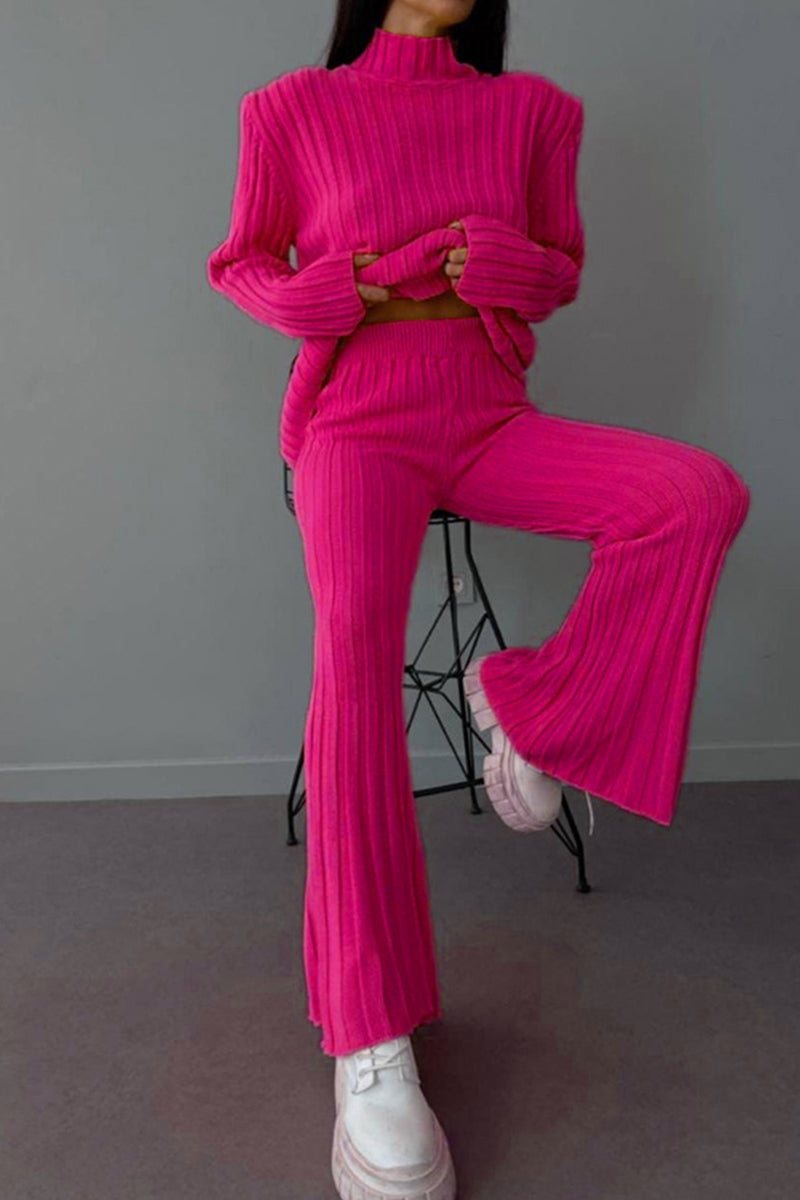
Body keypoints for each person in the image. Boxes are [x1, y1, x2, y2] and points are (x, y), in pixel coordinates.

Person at [206, 3, 752, 1197]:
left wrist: (505, 267)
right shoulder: (290, 110)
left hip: (488, 412)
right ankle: (368, 1038)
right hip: (355, 423)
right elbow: (242, 259)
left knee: (691, 498)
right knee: (353, 674)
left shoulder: (532, 113)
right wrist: (324, 294)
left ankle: (533, 706)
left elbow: (558, 267)